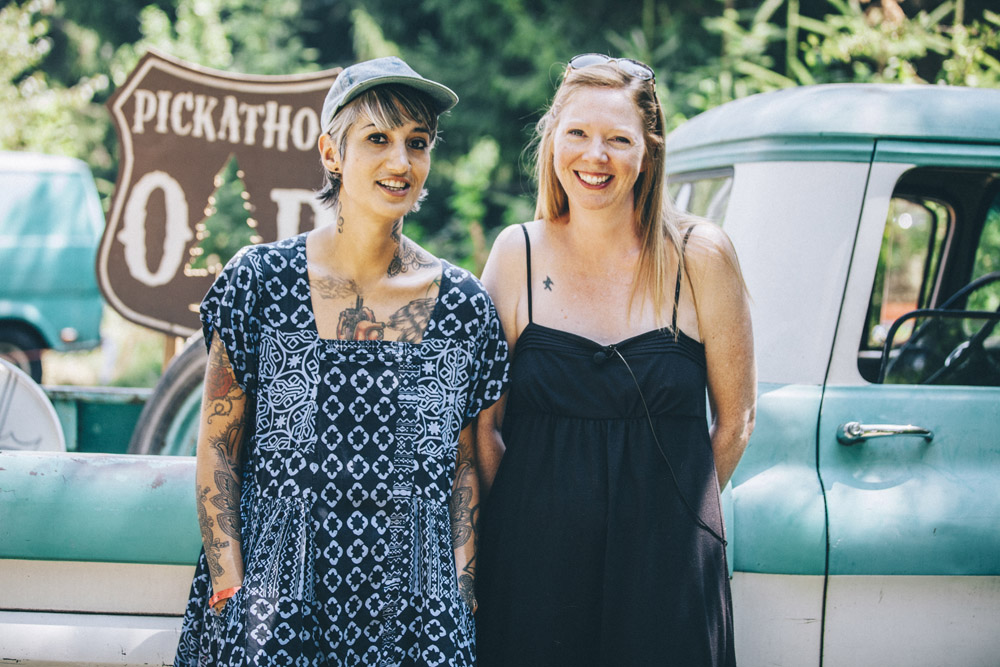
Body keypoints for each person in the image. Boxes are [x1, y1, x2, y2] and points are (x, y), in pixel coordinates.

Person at [174, 56, 509, 666]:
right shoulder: (260, 282)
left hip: (416, 617)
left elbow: (463, 468)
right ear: (332, 153)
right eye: (377, 139)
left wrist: (459, 597)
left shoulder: (464, 305)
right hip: (274, 608)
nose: (400, 162)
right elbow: (218, 445)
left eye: (418, 143)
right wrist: (230, 590)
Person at [475, 54, 756, 666]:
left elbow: (736, 421)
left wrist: (672, 512)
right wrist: (530, 514)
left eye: (618, 139)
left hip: (669, 564)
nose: (594, 156)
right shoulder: (515, 253)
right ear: (552, 140)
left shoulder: (700, 256)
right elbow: (483, 427)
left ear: (648, 152)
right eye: (576, 133)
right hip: (533, 564)